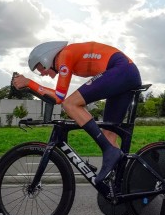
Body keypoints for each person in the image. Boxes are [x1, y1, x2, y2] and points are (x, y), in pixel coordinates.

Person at [12, 41, 142, 182]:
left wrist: (29, 83)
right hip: (126, 73)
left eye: (40, 68)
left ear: (46, 58)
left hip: (121, 70)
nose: (42, 74)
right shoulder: (67, 57)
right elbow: (54, 97)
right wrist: (29, 86)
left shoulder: (64, 55)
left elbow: (59, 97)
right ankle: (125, 182)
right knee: (108, 135)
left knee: (70, 104)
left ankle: (109, 151)